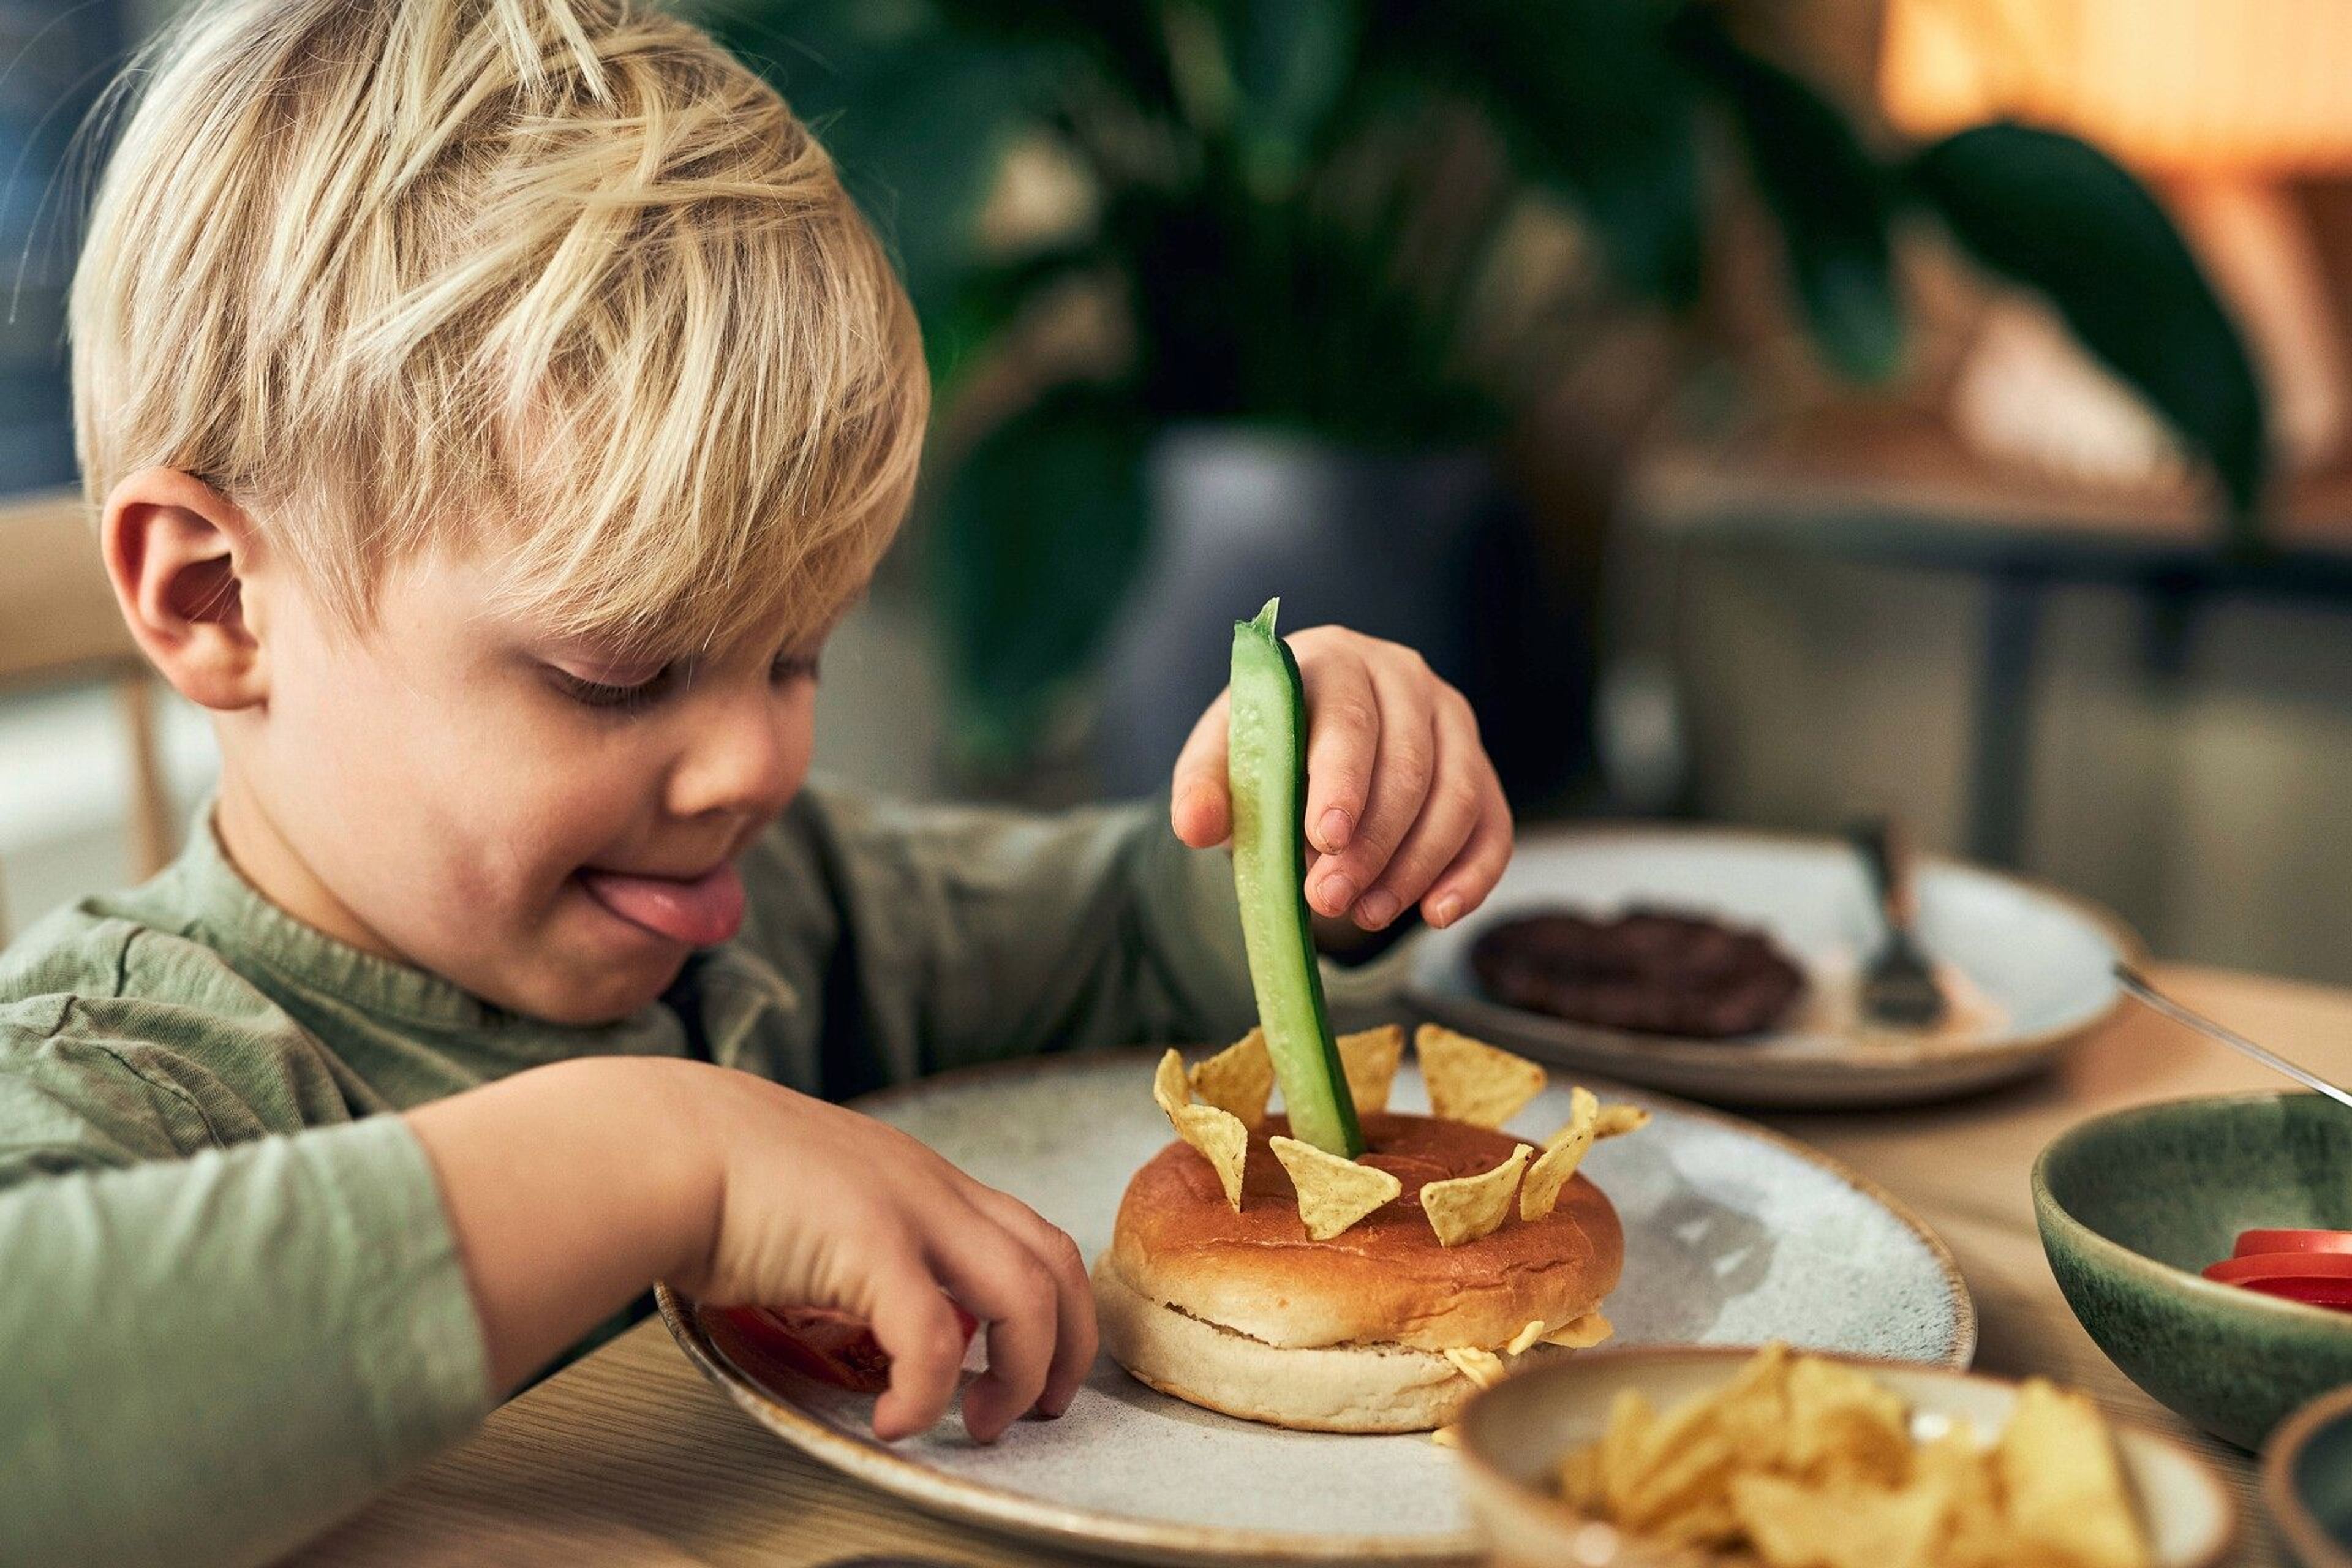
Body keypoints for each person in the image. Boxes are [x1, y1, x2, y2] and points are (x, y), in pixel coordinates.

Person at [0, 1, 1516, 1562]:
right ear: (214, 603)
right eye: (622, 671)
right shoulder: (134, 1068)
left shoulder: (790, 912)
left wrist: (1316, 828)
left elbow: (1133, 939)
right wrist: (661, 1156)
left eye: (798, 655)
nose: (757, 760)